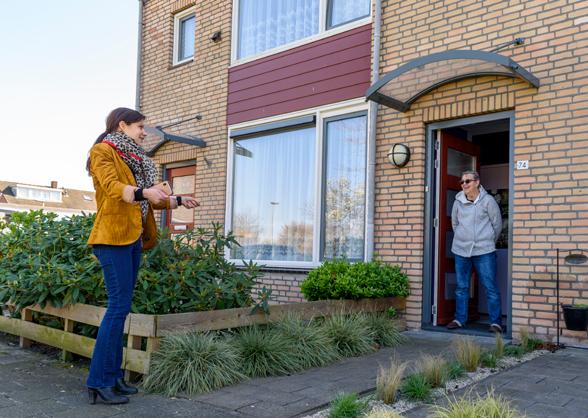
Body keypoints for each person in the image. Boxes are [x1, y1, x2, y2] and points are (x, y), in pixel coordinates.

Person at [85, 107, 199, 405]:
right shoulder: (102, 151)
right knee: (117, 307)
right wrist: (145, 192)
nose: (144, 132)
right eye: (139, 127)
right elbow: (114, 189)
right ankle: (98, 381)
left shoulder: (134, 158)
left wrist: (177, 200)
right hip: (112, 239)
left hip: (134, 239)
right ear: (122, 125)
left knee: (122, 309)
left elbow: (148, 197)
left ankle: (113, 377)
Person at [446, 170, 503, 334]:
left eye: (467, 181)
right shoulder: (458, 201)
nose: (464, 184)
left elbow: (497, 225)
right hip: (461, 250)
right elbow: (455, 224)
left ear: (477, 182)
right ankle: (459, 319)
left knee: (490, 286)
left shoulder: (488, 201)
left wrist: (487, 241)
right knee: (462, 287)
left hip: (484, 251)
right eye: (462, 182)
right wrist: (462, 238)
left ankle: (496, 323)